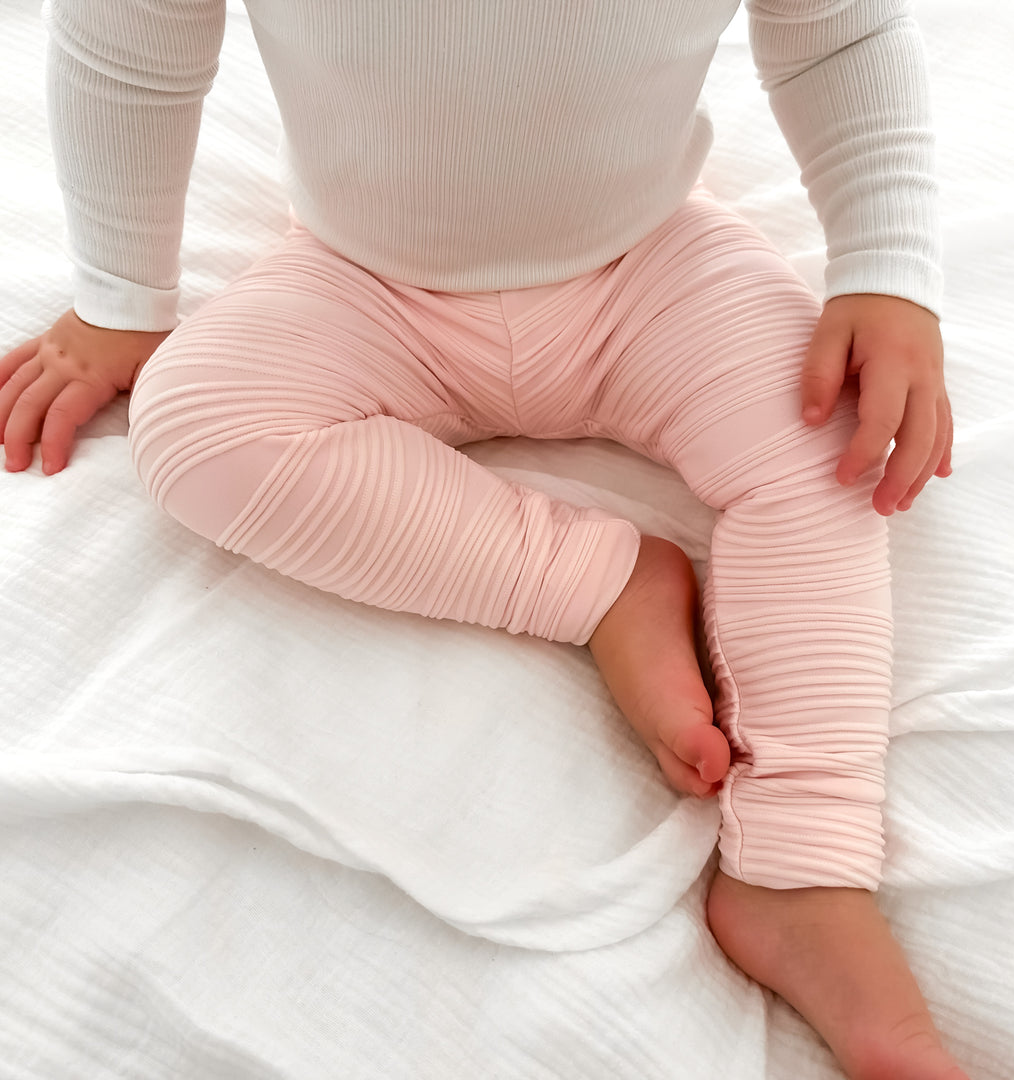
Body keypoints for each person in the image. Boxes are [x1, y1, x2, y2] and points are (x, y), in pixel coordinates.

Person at [0, 1, 965, 1077]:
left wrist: (884, 269)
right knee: (190, 424)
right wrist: (123, 299)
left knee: (832, 433)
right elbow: (129, 37)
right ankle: (599, 583)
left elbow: (841, 33)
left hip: (648, 267)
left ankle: (802, 865)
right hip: (363, 280)